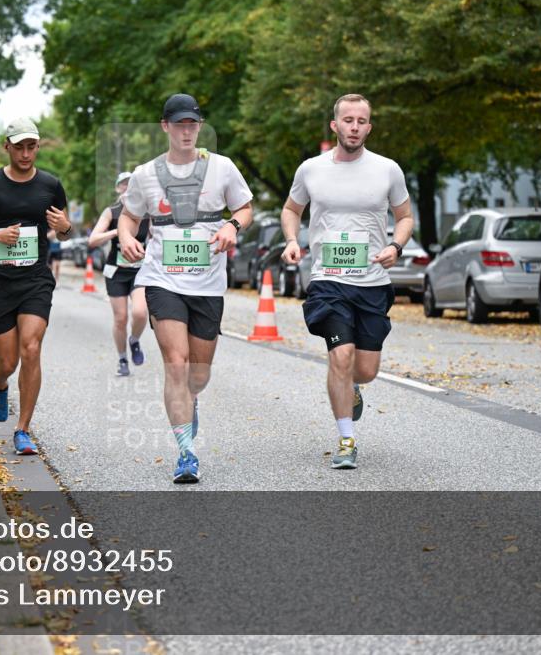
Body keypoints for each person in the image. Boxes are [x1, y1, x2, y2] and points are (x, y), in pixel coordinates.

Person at [118, 94, 253, 483]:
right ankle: (186, 453)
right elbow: (129, 217)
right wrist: (127, 238)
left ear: (200, 125)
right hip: (162, 279)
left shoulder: (222, 168)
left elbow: (245, 207)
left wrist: (232, 225)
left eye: (192, 123)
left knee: (198, 374)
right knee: (175, 363)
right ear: (165, 127)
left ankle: (190, 401)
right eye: (179, 124)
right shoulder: (146, 174)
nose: (186, 130)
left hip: (208, 284)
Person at [281, 93, 412, 470]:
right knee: (340, 355)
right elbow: (292, 209)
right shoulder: (311, 169)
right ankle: (346, 438)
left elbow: (405, 217)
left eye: (362, 121)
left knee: (365, 369)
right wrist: (293, 240)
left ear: (369, 127)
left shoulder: (388, 169)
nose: (354, 127)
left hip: (372, 280)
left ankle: (351, 386)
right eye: (348, 120)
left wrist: (396, 246)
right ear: (334, 125)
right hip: (328, 280)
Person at [0, 117, 71, 455]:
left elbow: (63, 230)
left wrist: (64, 226)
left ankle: (22, 430)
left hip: (35, 278)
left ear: (37, 147)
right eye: (18, 146)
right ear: (7, 146)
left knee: (31, 348)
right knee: (8, 361)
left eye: (31, 146)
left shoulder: (51, 185)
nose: (25, 153)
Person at [88, 171, 150, 376]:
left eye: (131, 184)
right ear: (118, 188)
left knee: (140, 312)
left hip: (140, 269)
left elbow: (157, 237)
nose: (127, 187)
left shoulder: (146, 212)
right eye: (123, 185)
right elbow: (93, 240)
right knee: (120, 318)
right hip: (115, 271)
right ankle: (123, 358)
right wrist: (118, 231)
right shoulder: (111, 212)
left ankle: (134, 340)